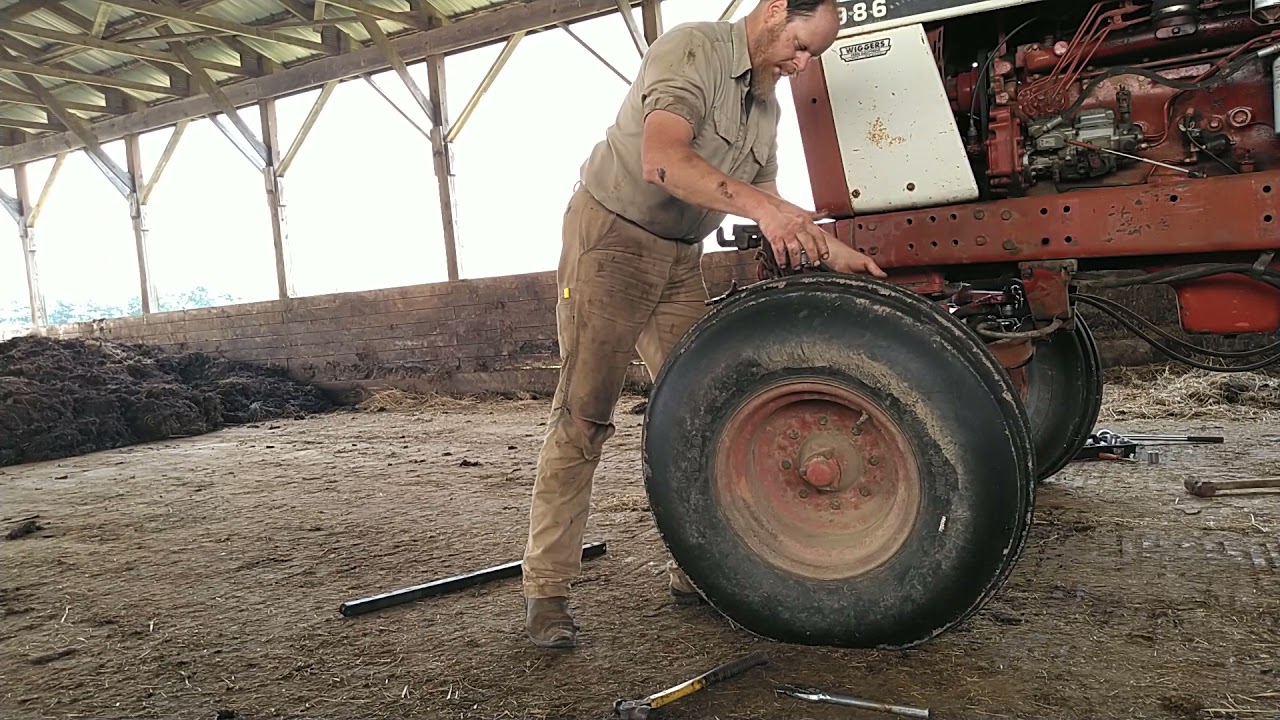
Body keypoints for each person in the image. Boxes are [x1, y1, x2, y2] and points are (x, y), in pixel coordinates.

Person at [519, 0, 887, 649]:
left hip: (680, 256)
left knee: (706, 413)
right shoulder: (694, 51)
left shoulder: (766, 108)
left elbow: (767, 203)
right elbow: (662, 160)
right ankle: (547, 593)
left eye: (814, 59)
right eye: (801, 47)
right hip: (612, 238)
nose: (802, 65)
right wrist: (763, 211)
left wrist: (838, 253)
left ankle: (697, 571)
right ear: (776, 10)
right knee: (583, 416)